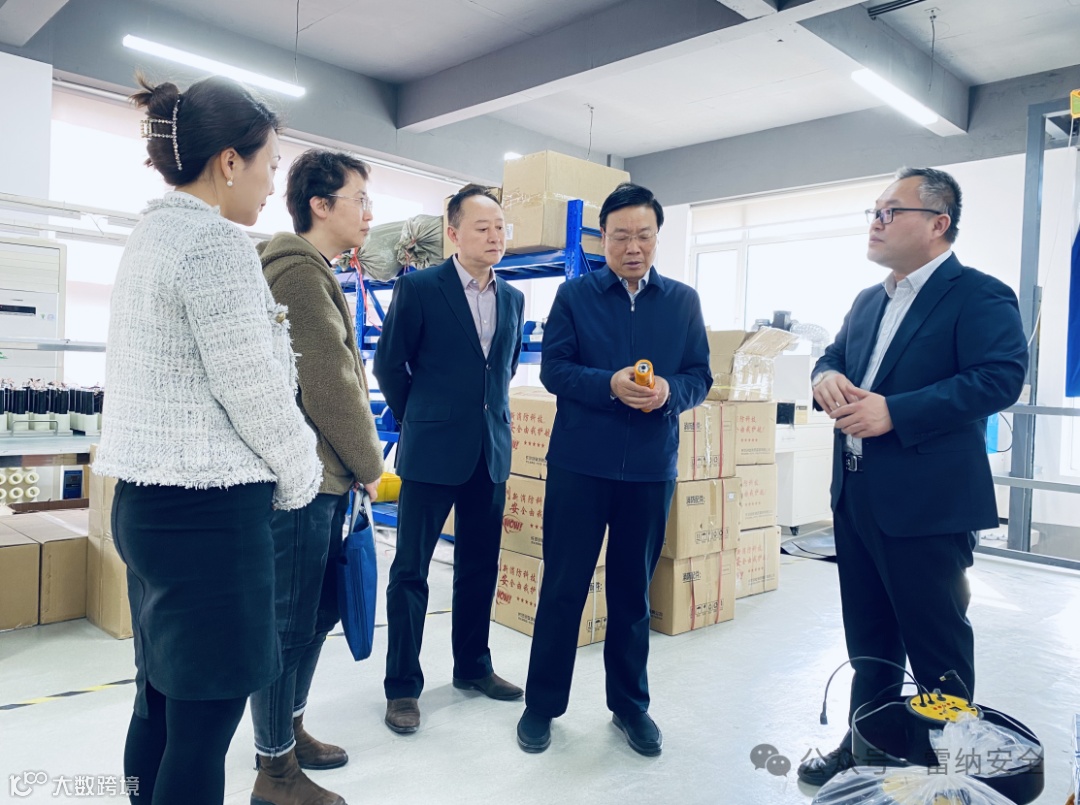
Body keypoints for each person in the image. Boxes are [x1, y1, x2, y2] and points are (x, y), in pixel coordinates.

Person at [95, 75, 322, 805]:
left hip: (147, 507)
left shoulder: (151, 235)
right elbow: (254, 389)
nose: (270, 184)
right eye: (268, 166)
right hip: (209, 518)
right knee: (204, 727)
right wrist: (303, 476)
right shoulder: (216, 243)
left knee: (159, 701)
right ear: (229, 162)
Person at [797, 167, 1028, 786]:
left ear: (937, 223)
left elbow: (999, 377)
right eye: (873, 211)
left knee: (936, 647)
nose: (875, 222)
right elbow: (833, 356)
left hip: (929, 503)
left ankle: (946, 770)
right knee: (869, 641)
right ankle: (867, 745)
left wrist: (895, 412)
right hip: (856, 494)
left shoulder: (978, 294)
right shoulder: (868, 300)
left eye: (889, 211)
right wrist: (824, 377)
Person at [515, 183, 712, 756]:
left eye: (644, 235)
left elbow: (700, 375)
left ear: (657, 237)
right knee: (563, 588)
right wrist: (609, 384)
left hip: (650, 471)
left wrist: (670, 392)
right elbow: (554, 369)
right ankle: (541, 706)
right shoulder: (575, 296)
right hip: (581, 465)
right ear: (603, 238)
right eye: (621, 236)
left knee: (631, 595)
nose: (633, 247)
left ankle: (630, 706)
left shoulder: (682, 302)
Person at [249, 150, 385, 805]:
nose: (369, 214)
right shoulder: (300, 274)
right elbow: (330, 385)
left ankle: (291, 730)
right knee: (290, 621)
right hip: (304, 483)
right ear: (320, 204)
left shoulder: (310, 268)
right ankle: (274, 769)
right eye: (360, 199)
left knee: (316, 612)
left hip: (320, 479)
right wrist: (371, 464)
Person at [373, 184, 525, 734]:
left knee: (480, 566)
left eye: (500, 227)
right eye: (483, 227)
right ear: (454, 234)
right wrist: (420, 416)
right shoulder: (419, 288)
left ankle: (473, 667)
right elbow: (389, 365)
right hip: (431, 452)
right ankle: (402, 687)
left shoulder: (513, 298)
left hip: (490, 451)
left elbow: (503, 370)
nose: (494, 236)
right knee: (410, 572)